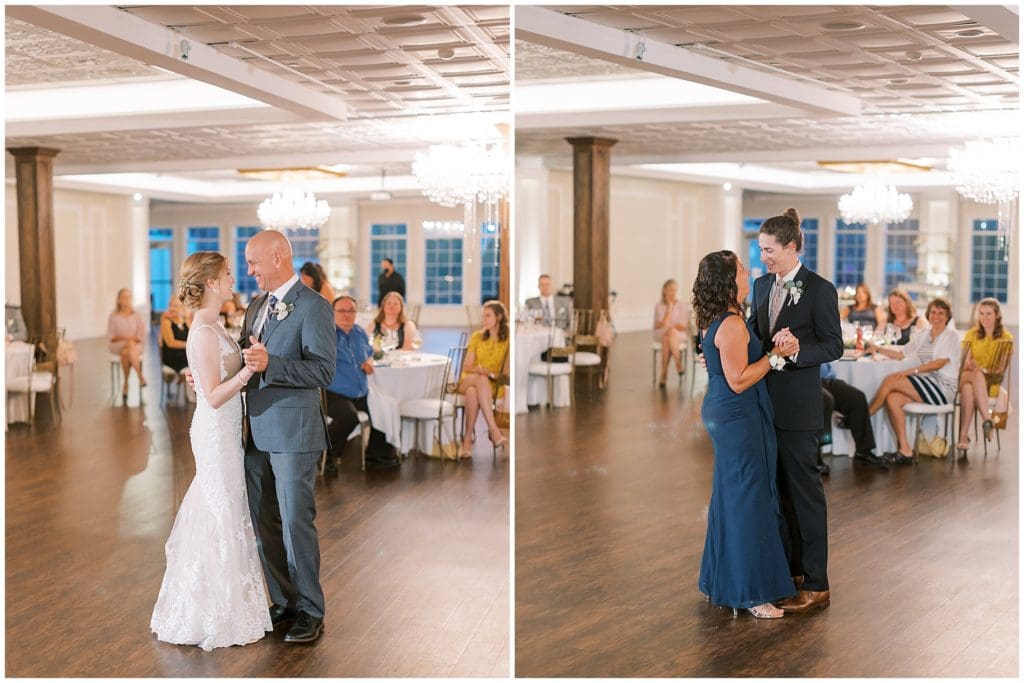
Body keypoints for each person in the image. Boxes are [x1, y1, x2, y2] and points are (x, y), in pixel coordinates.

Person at [150, 251, 273, 650]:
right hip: (214, 431)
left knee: (227, 507)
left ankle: (229, 603)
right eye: (227, 274)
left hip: (226, 430)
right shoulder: (203, 331)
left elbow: (210, 380)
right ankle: (211, 611)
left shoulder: (214, 324)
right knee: (219, 509)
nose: (234, 278)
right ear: (211, 282)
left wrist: (213, 377)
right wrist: (248, 371)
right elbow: (215, 396)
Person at [239, 229, 336, 643]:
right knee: (264, 521)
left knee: (296, 521)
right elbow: (246, 360)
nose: (250, 271)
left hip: (294, 433)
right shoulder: (255, 306)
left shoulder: (314, 307)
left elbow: (323, 371)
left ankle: (311, 610)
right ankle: (284, 600)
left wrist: (272, 365)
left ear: (278, 257)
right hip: (256, 431)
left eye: (254, 262)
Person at [692, 250, 798, 619]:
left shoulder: (717, 318)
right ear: (728, 280)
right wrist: (776, 354)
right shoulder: (732, 324)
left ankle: (724, 581)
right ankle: (751, 593)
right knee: (747, 499)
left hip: (725, 410)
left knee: (732, 495)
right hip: (737, 414)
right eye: (740, 268)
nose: (746, 271)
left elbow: (721, 361)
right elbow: (738, 380)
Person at [748, 208, 842, 613]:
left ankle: (817, 583)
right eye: (760, 249)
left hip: (800, 410)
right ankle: (793, 573)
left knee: (805, 496)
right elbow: (755, 337)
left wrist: (799, 349)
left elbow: (834, 345)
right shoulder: (760, 286)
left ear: (791, 247)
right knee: (779, 493)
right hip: (764, 405)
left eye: (769, 250)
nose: (763, 257)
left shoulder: (820, 289)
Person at [865, 298, 960, 464]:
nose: (936, 316)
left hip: (944, 388)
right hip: (928, 384)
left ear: (947, 316)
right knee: (892, 398)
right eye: (933, 312)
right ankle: (905, 451)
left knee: (891, 380)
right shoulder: (923, 335)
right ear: (928, 314)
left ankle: (864, 416)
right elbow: (901, 353)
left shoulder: (951, 336)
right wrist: (877, 348)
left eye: (941, 313)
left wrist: (911, 371)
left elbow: (939, 363)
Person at [323, 295, 399, 473]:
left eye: (351, 310)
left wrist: (369, 362)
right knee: (349, 418)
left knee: (386, 407)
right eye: (342, 311)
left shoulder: (359, 333)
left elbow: (369, 354)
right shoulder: (326, 335)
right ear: (332, 313)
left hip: (360, 392)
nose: (346, 314)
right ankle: (323, 452)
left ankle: (377, 456)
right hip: (332, 393)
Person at [955, 298, 1013, 458]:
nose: (984, 317)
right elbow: (965, 363)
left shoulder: (1006, 337)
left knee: (969, 390)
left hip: (989, 382)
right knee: (973, 376)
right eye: (981, 313)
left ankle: (963, 438)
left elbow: (1000, 370)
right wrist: (975, 367)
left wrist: (982, 369)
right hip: (966, 375)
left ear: (997, 315)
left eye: (988, 313)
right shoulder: (971, 334)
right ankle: (987, 419)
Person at [458, 301, 510, 458]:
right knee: (479, 380)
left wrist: (490, 374)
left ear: (498, 317)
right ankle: (494, 430)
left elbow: (505, 373)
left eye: (488, 316)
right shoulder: (477, 337)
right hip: (467, 380)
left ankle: (467, 440)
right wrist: (479, 370)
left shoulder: (507, 341)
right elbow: (466, 367)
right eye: (483, 316)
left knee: (472, 393)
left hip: (491, 385)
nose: (484, 320)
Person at [821, 363, 887, 467]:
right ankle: (816, 456)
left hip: (826, 379)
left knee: (857, 398)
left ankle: (863, 451)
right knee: (826, 400)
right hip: (807, 381)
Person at [107, 287, 147, 404]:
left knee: (126, 351)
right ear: (119, 300)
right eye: (124, 297)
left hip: (135, 345)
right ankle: (140, 377)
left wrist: (130, 341)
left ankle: (125, 383)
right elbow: (111, 337)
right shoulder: (114, 316)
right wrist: (127, 339)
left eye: (129, 297)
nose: (127, 299)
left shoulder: (137, 315)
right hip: (117, 345)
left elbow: (140, 336)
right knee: (128, 345)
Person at [653, 278, 688, 387]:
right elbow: (660, 324)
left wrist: (671, 327)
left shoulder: (682, 305)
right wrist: (669, 308)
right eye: (670, 290)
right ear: (664, 290)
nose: (673, 293)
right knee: (667, 335)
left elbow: (683, 325)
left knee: (668, 336)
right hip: (661, 333)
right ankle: (678, 364)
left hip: (679, 334)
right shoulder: (658, 305)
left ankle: (663, 374)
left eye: (675, 290)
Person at [159, 296, 189, 373]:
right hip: (171, 361)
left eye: (175, 306)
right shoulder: (166, 321)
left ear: (182, 307)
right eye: (170, 305)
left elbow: (194, 338)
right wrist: (188, 344)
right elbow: (171, 343)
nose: (171, 308)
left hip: (186, 360)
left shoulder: (187, 321)